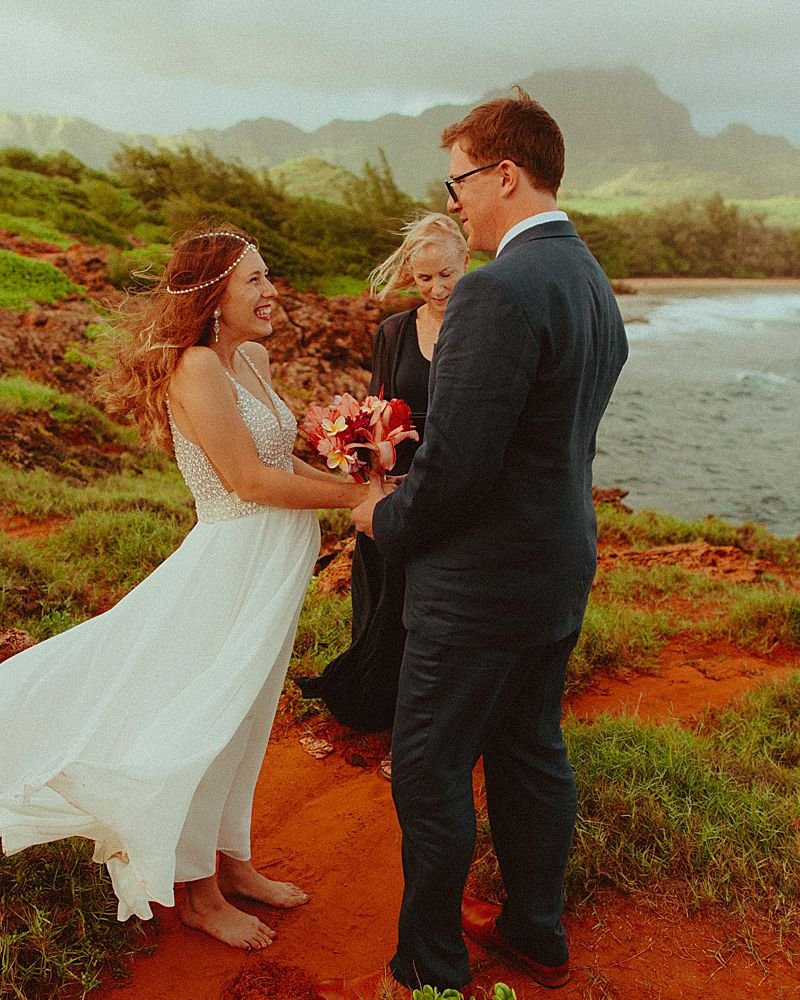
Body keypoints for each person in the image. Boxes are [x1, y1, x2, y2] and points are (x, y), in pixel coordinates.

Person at [0, 225, 367, 953]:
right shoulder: (197, 367)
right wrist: (351, 504)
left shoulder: (251, 359)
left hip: (273, 565)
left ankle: (234, 863)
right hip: (229, 563)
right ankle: (200, 896)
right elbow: (246, 480)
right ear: (215, 293)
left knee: (246, 721)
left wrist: (360, 486)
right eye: (255, 280)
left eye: (268, 277)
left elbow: (284, 457)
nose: (271, 291)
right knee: (205, 722)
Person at [322, 89, 629, 997]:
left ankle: (428, 970)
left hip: (479, 586)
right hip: (557, 565)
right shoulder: (589, 278)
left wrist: (382, 516)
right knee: (531, 749)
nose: (453, 200)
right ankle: (537, 932)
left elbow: (458, 470)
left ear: (505, 174)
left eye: (459, 181)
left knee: (427, 767)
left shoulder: (496, 290)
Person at [295, 213, 469, 747]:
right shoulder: (393, 332)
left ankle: (436, 727)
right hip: (396, 486)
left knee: (440, 612)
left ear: (468, 262)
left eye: (447, 274)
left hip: (456, 482)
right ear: (410, 278)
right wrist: (373, 484)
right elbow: (376, 413)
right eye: (424, 278)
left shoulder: (483, 327)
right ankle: (388, 713)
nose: (437, 288)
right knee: (389, 602)